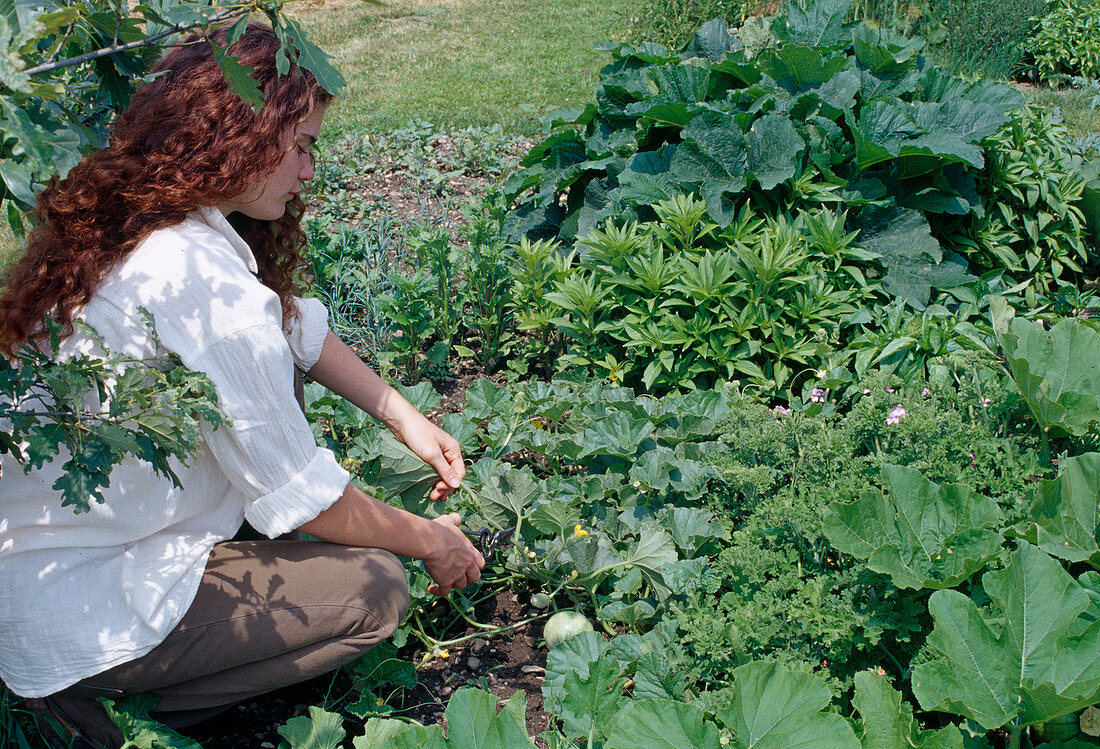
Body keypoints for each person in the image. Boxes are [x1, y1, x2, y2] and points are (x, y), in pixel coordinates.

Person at [0, 21, 484, 748]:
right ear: (241, 137)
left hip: (42, 571)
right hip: (85, 612)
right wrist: (434, 544)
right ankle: (101, 716)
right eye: (303, 146)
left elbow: (293, 329)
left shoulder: (147, 220)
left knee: (283, 447)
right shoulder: (205, 289)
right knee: (374, 590)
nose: (309, 170)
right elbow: (315, 500)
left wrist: (402, 415)